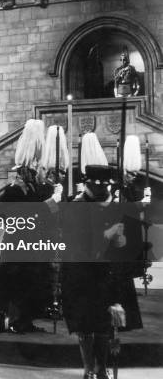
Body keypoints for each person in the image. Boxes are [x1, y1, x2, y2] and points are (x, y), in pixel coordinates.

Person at [62, 139, 143, 379]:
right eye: (99, 188)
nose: (103, 192)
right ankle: (89, 367)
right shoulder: (75, 207)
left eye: (106, 188)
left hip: (109, 276)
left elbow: (128, 248)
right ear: (88, 185)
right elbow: (76, 244)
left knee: (106, 326)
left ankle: (102, 368)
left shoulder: (115, 206)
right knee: (86, 326)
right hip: (83, 275)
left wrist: (122, 241)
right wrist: (104, 236)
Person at [0, 119, 63, 333]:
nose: (34, 172)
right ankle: (16, 320)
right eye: (31, 169)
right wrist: (52, 202)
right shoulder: (14, 190)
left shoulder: (35, 188)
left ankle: (26, 319)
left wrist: (55, 201)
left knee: (32, 282)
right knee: (19, 283)